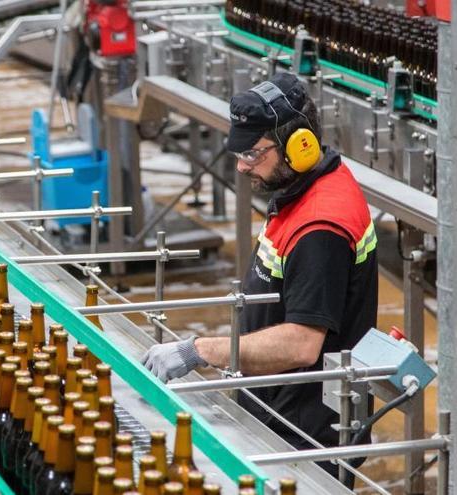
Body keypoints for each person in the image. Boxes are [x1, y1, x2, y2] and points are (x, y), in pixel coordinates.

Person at [141, 73, 378, 478]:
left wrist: (200, 350)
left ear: (299, 147)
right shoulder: (307, 186)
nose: (240, 166)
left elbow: (303, 344)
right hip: (278, 411)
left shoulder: (320, 226)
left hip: (304, 439)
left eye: (253, 154)